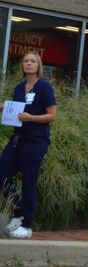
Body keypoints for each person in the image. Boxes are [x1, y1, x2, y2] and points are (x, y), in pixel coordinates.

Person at [0, 51, 57, 238]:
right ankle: (18, 211)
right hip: (17, 139)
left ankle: (26, 225)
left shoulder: (44, 87)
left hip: (35, 141)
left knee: (29, 181)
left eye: (33, 61)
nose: (29, 64)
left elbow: (52, 116)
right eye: (26, 61)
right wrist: (4, 107)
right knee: (2, 174)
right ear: (22, 65)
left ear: (38, 65)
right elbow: (15, 110)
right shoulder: (19, 87)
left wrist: (31, 117)